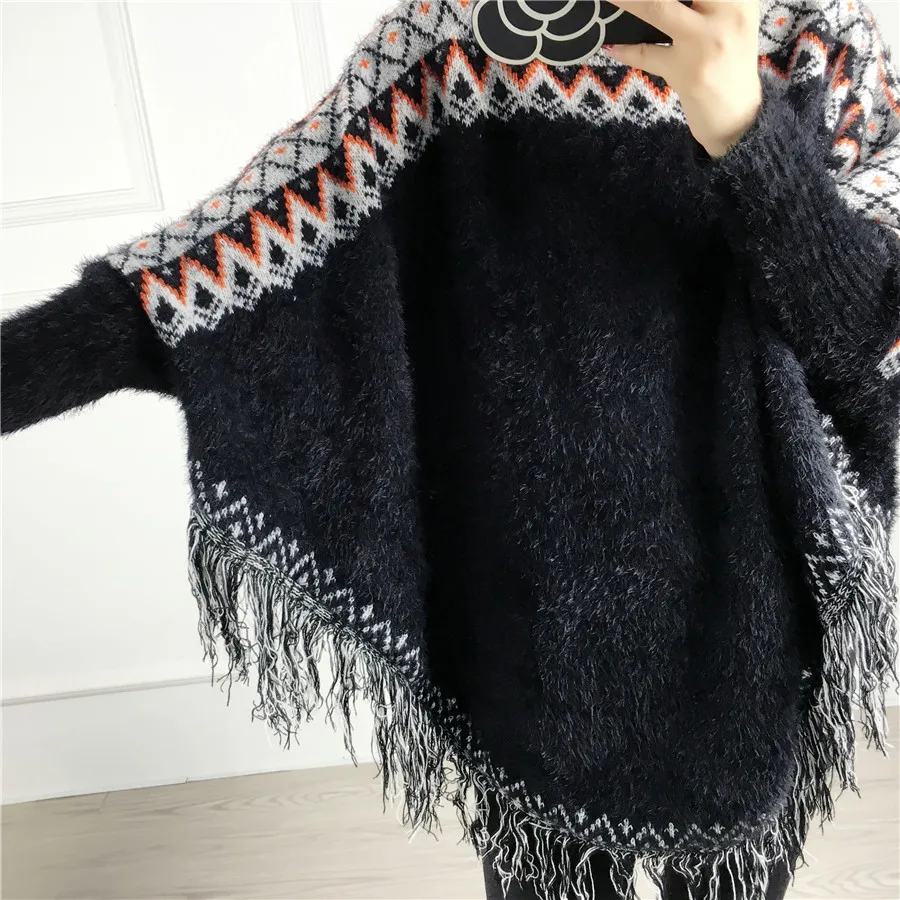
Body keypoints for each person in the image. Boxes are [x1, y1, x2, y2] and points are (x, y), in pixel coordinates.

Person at [3, 2, 899, 900]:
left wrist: (746, 129)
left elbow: (873, 342)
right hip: (528, 628)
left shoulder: (820, 41)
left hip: (763, 613)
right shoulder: (463, 37)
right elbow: (224, 280)